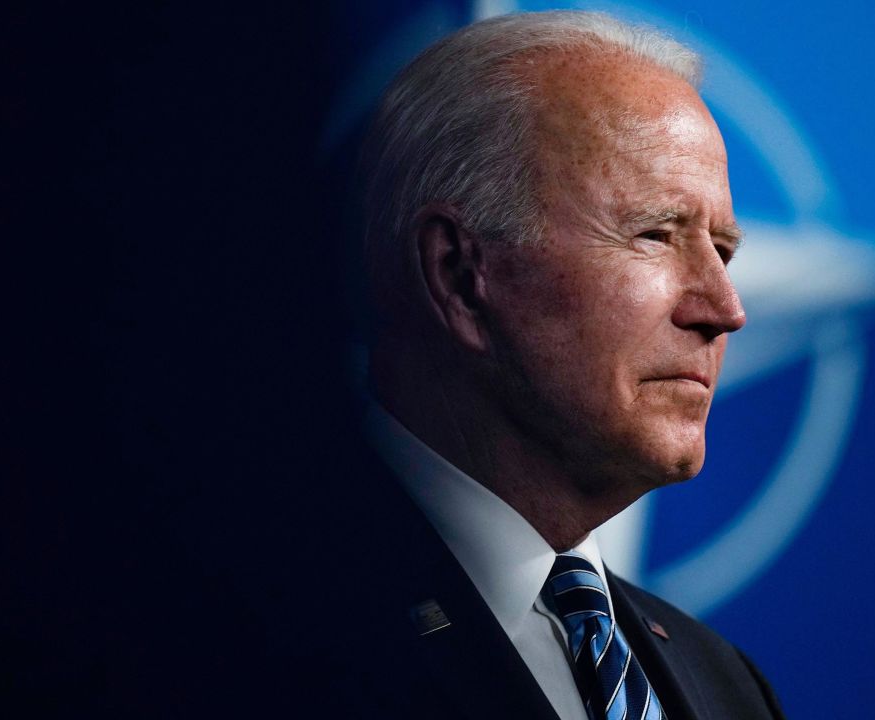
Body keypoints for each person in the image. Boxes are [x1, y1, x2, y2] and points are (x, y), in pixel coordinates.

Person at [301, 10, 787, 719]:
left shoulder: (726, 685)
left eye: (725, 251)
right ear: (460, 273)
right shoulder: (247, 619)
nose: (725, 309)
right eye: (656, 234)